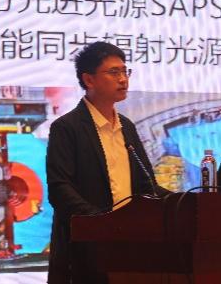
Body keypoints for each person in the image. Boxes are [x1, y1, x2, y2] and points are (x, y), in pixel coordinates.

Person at [46, 42, 168, 284]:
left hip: (131, 246)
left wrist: (184, 201)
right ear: (88, 80)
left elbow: (147, 186)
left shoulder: (127, 127)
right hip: (85, 250)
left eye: (125, 71)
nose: (123, 79)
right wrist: (101, 223)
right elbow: (60, 189)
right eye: (114, 72)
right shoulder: (67, 128)